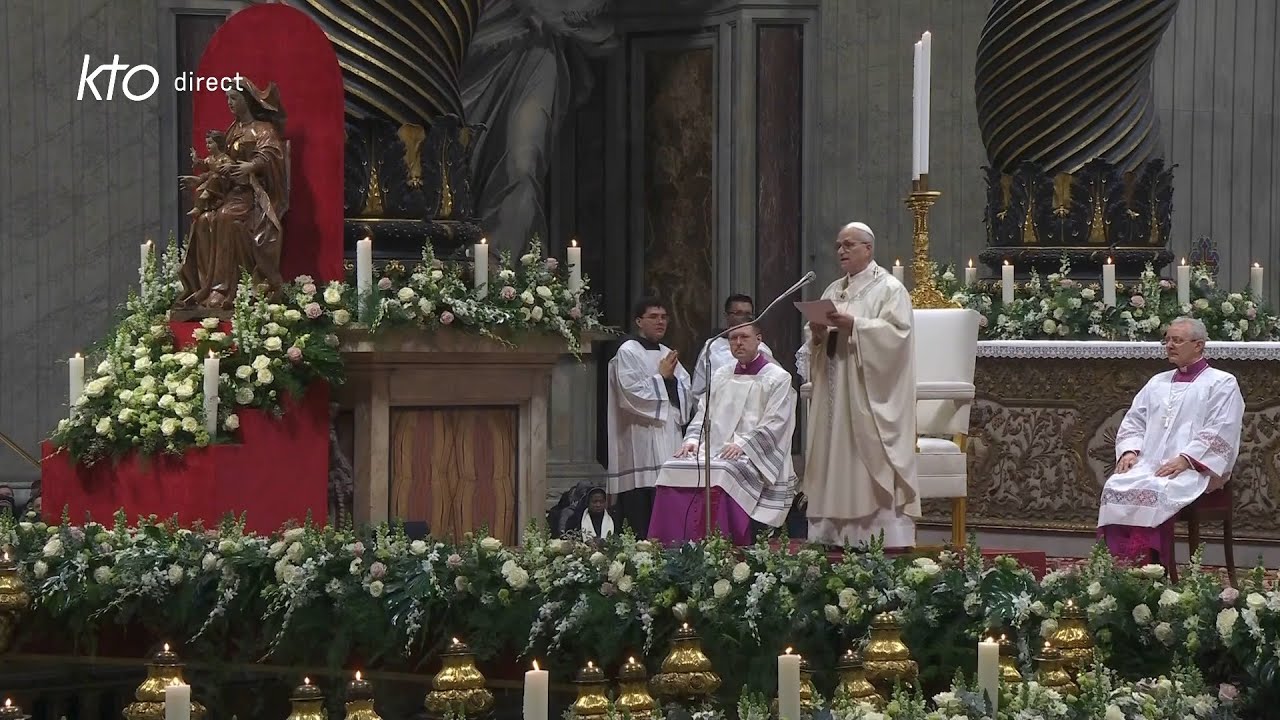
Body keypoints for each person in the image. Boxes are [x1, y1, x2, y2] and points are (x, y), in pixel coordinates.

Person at [804, 222, 919, 548]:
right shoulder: (832, 290)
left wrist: (856, 325)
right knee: (832, 451)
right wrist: (816, 333)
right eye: (839, 245)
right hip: (834, 391)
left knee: (864, 450)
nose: (841, 251)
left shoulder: (890, 290)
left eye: (849, 245)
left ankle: (875, 532)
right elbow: (815, 344)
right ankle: (832, 532)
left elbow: (899, 336)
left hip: (867, 394)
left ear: (868, 249)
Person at [1098, 317, 1244, 568]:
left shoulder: (1222, 382)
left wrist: (1187, 459)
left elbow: (1222, 427)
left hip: (1194, 468)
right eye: (1167, 340)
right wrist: (1129, 451)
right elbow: (1134, 420)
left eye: (1177, 340)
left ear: (1198, 345)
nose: (1169, 346)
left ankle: (1157, 568)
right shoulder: (1157, 382)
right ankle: (1124, 566)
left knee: (1158, 490)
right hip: (1149, 464)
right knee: (1116, 485)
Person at [649, 322, 797, 545]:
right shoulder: (721, 375)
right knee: (672, 467)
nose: (738, 343)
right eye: (732, 338)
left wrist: (744, 444)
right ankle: (669, 544)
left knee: (724, 471)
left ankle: (725, 544)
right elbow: (703, 414)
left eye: (744, 338)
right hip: (714, 449)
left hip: (752, 452)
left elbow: (776, 423)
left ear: (759, 339)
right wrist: (692, 439)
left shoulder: (778, 378)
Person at [178, 79, 288, 309]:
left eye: (233, 98)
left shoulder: (262, 129)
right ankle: (204, 287)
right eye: (227, 98)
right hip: (229, 191)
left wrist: (251, 166)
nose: (229, 103)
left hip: (253, 194)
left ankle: (224, 288)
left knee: (226, 217)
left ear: (246, 100)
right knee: (205, 220)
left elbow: (272, 155)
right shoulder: (232, 131)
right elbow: (220, 164)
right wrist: (200, 180)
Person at [606, 296, 694, 536]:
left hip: (668, 440)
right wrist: (662, 378)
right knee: (640, 516)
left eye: (664, 317)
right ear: (639, 321)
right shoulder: (627, 351)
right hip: (639, 444)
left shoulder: (667, 353)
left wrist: (672, 380)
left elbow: (687, 392)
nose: (660, 322)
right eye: (653, 317)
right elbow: (630, 394)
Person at [691, 294, 776, 400]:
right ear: (727, 316)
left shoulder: (762, 348)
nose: (745, 318)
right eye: (739, 313)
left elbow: (773, 384)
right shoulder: (712, 346)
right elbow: (699, 390)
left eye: (748, 314)